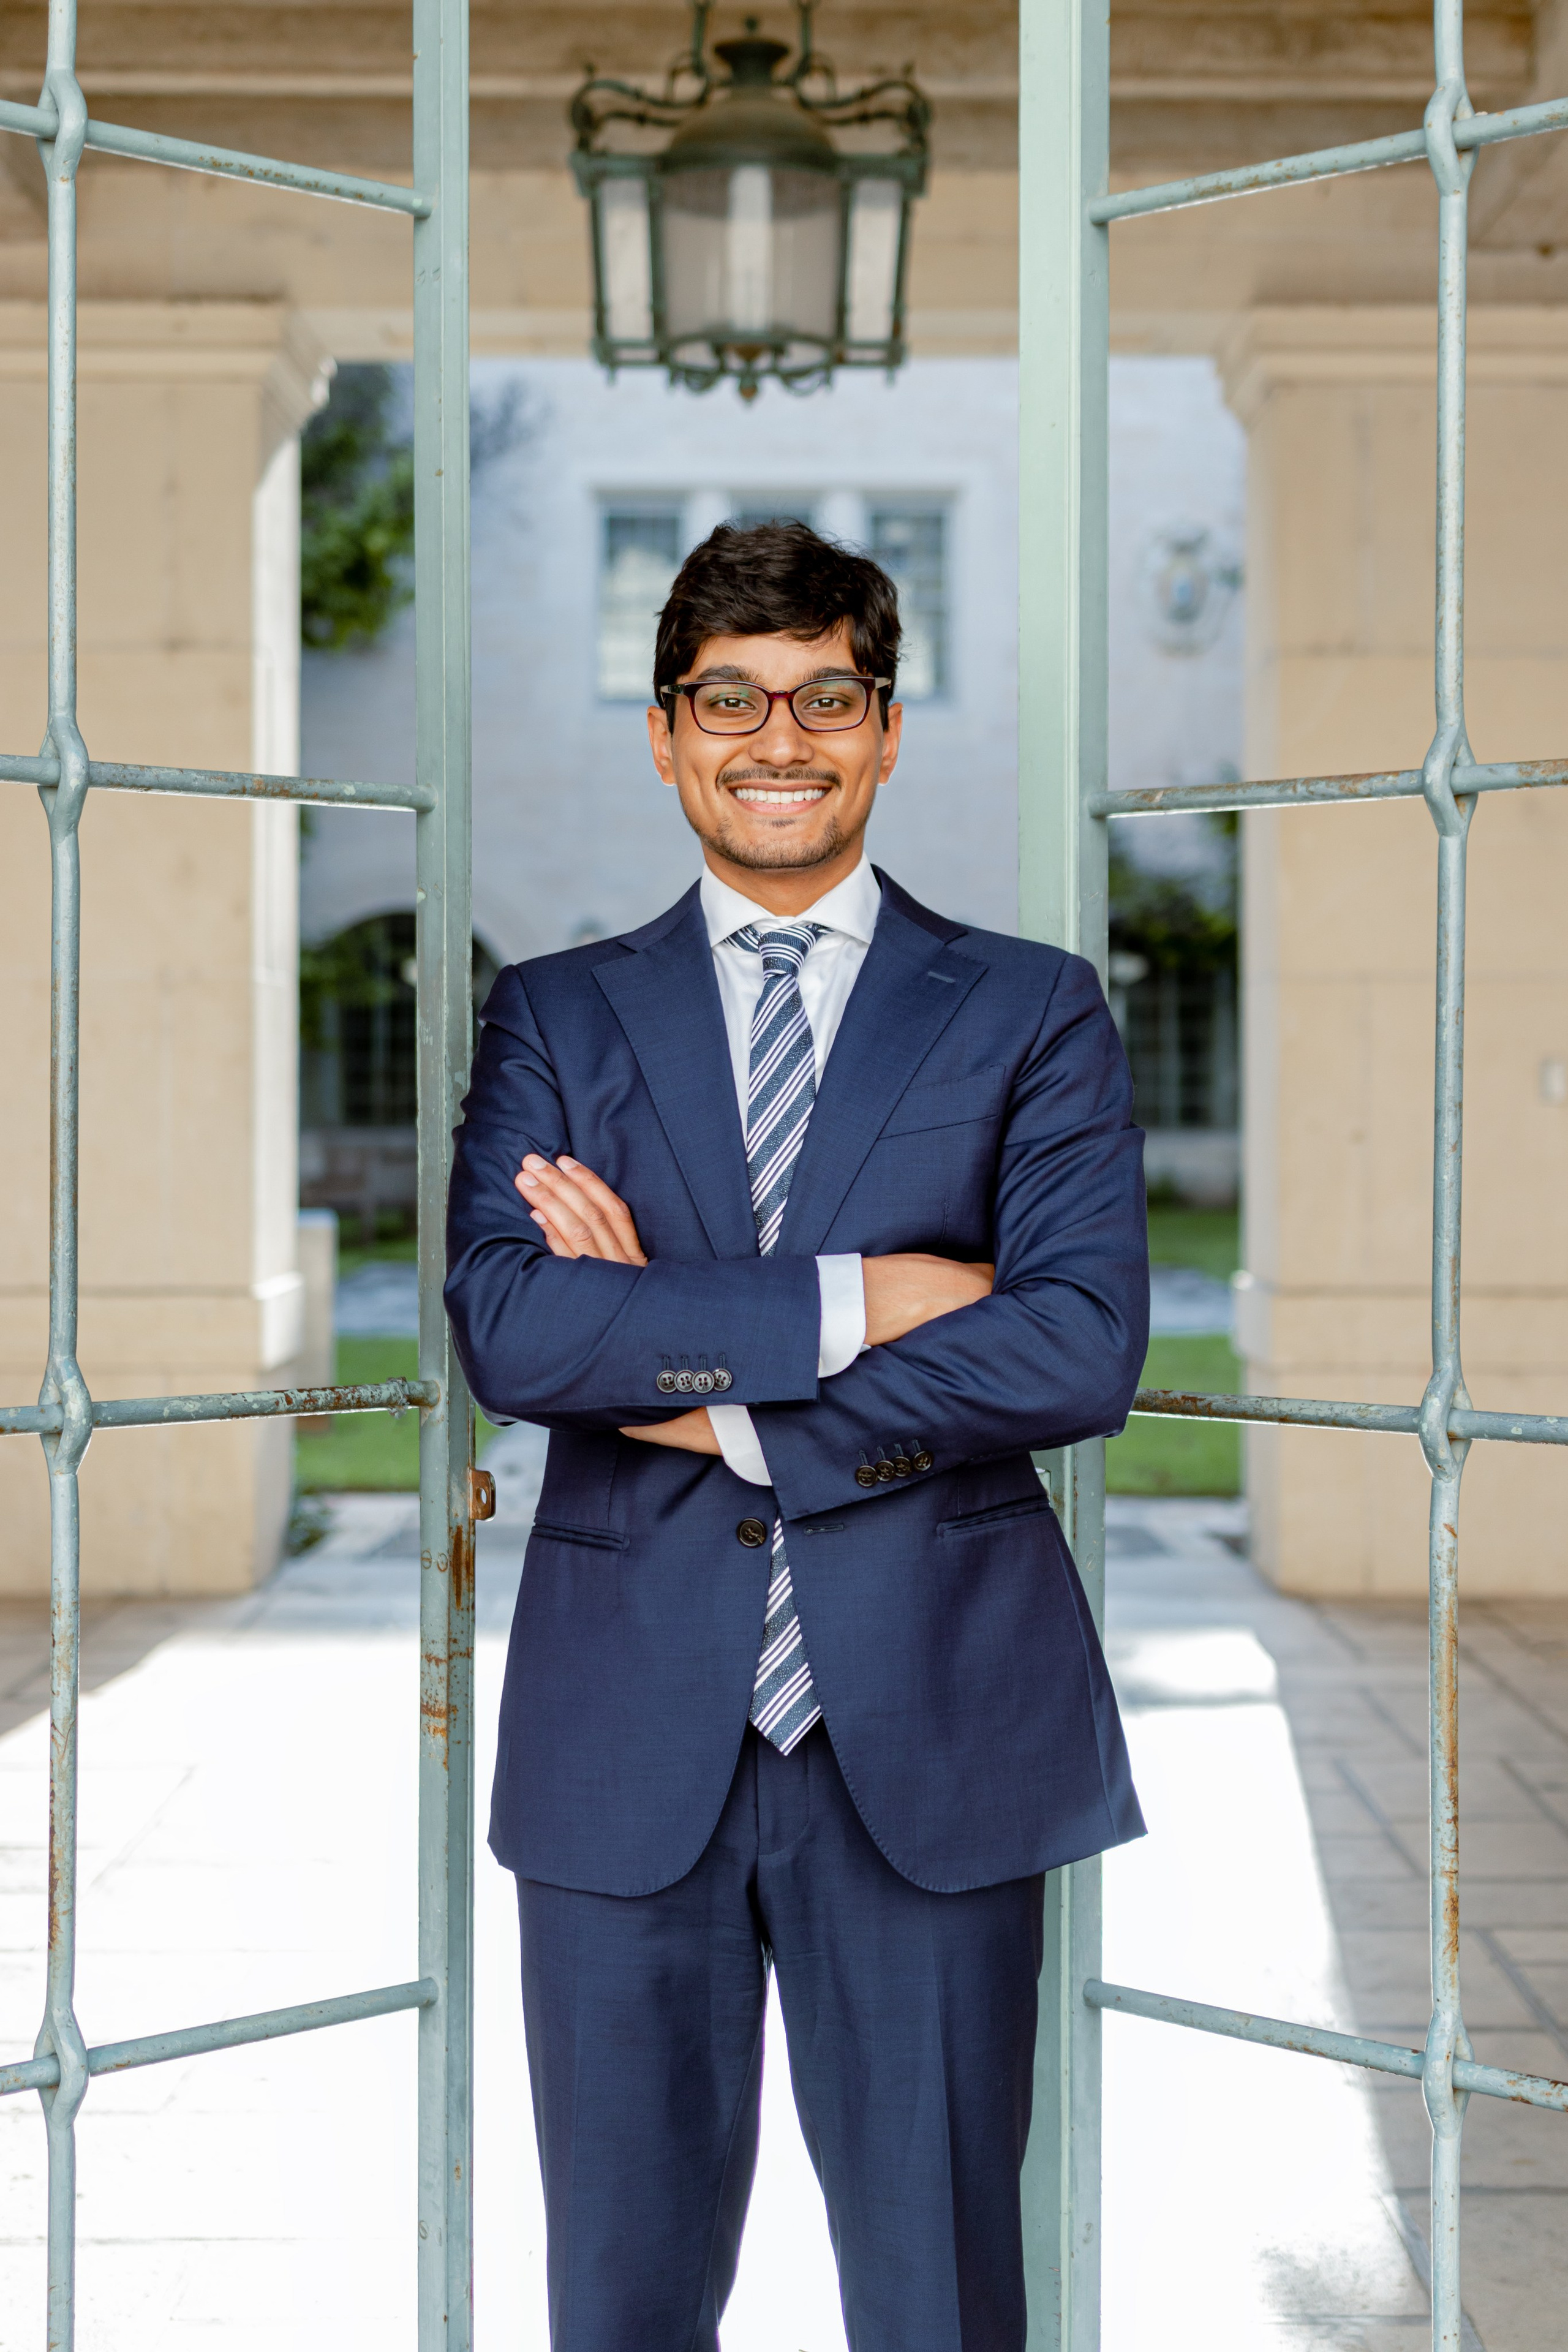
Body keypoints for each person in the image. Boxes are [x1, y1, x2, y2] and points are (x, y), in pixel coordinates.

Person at [445, 519, 1148, 2352]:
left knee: (934, 2294)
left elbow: (1076, 1346)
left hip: (933, 1725)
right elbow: (515, 1327)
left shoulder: (1029, 1010)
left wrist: (710, 1393)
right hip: (624, 1740)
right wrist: (872, 1299)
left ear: (887, 729)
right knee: (621, 2296)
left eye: (827, 696)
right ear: (668, 736)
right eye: (733, 700)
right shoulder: (556, 1013)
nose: (782, 738)